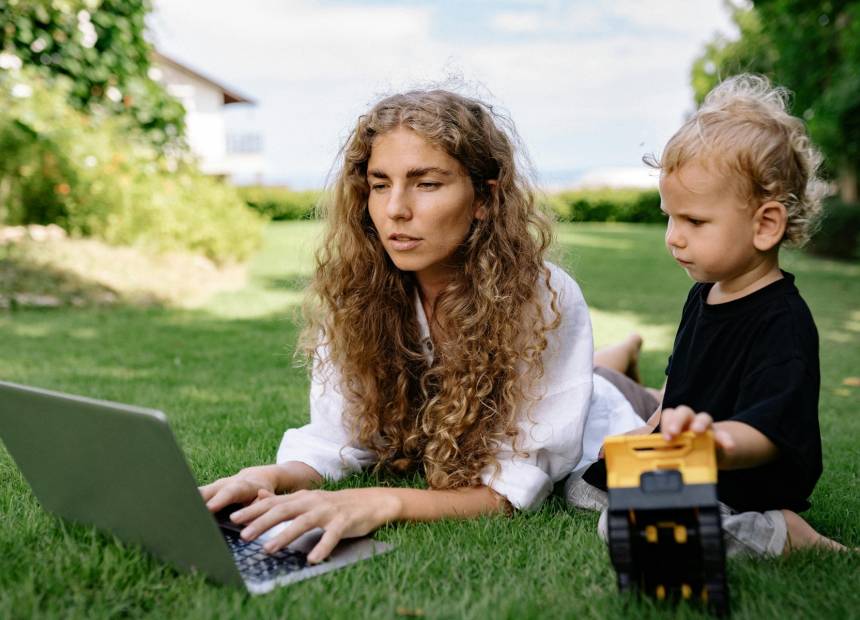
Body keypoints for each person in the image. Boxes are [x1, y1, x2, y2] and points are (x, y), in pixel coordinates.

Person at [200, 89, 645, 563]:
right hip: (570, 379)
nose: (395, 209)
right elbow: (337, 437)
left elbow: (512, 488)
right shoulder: (358, 292)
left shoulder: (542, 299)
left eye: (426, 184)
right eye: (379, 184)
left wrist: (382, 501)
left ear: (483, 198)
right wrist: (267, 476)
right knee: (599, 371)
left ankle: (625, 362)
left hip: (595, 410)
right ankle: (620, 354)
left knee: (612, 390)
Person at [567, 74, 848, 555]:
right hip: (688, 463)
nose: (673, 237)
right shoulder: (705, 294)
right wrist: (648, 430)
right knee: (579, 486)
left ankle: (782, 531)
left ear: (765, 225)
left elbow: (769, 431)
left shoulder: (782, 321)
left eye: (694, 221)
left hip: (742, 479)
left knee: (623, 522)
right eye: (669, 216)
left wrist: (712, 443)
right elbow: (682, 384)